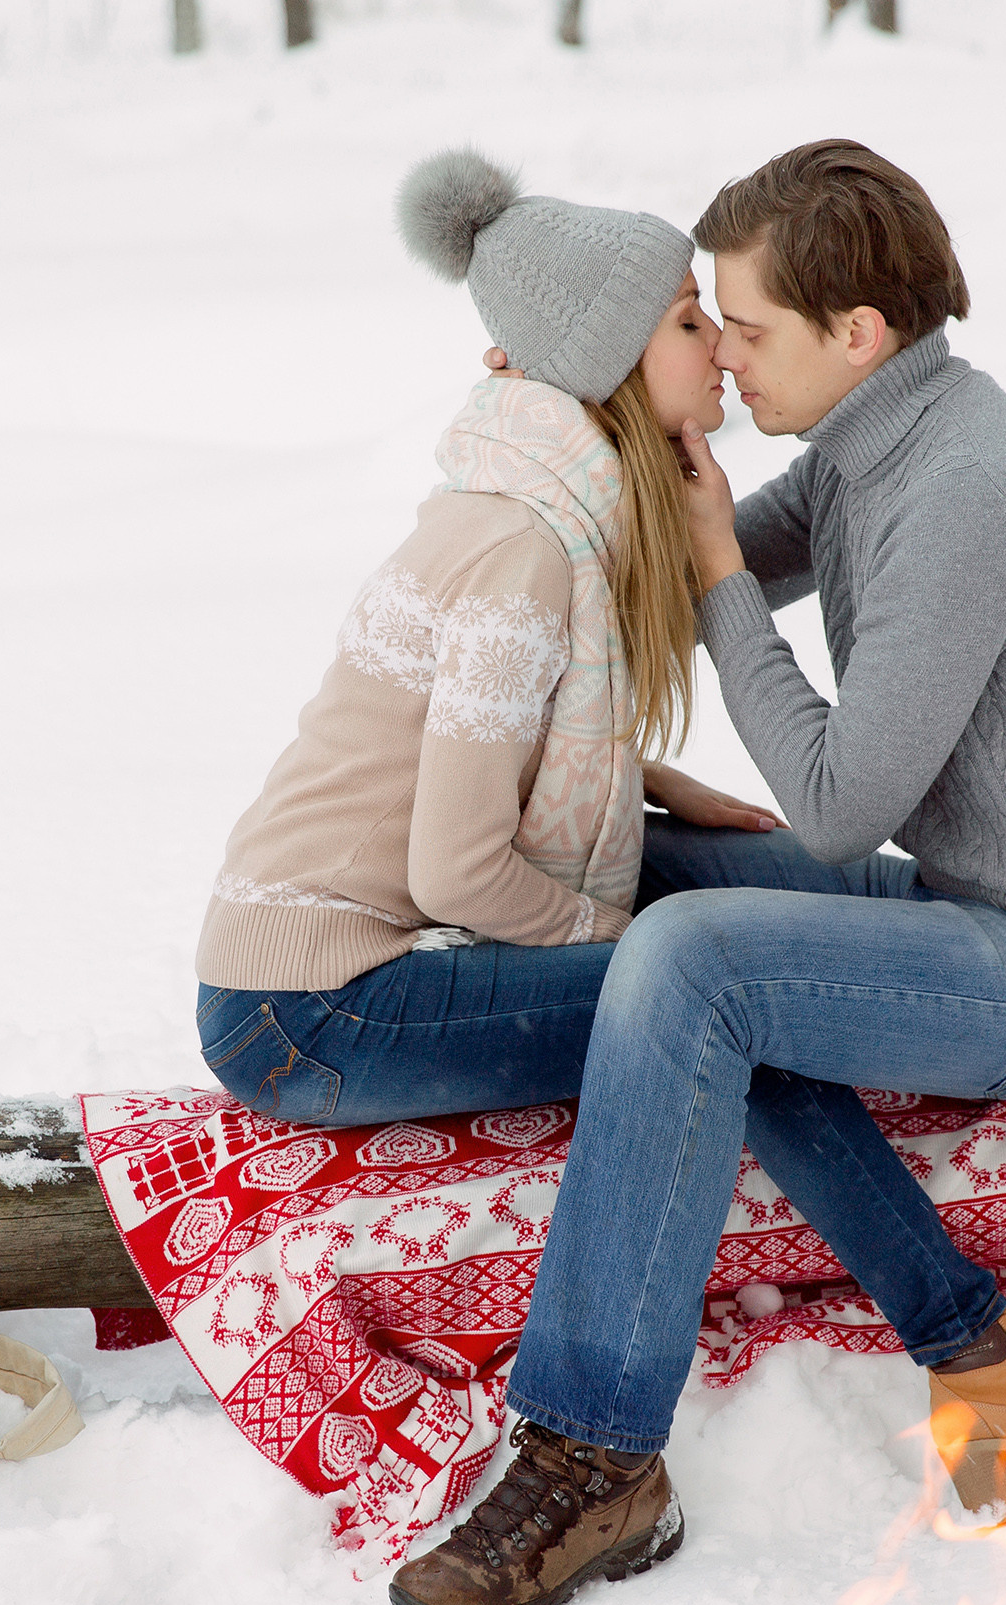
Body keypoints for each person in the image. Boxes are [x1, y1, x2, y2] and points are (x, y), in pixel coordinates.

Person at [391, 141, 1006, 1605]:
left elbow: (838, 812)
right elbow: (668, 554)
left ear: (861, 333)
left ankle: (593, 1452)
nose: (723, 354)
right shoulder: (871, 448)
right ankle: (968, 1340)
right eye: (701, 321)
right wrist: (555, 412)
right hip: (983, 906)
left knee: (696, 961)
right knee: (648, 873)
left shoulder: (966, 487)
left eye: (746, 327)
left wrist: (713, 564)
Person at [194, 149, 782, 1128]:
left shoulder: (544, 509)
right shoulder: (525, 547)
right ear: (608, 364)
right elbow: (456, 872)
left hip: (307, 987)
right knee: (722, 996)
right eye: (688, 319)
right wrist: (622, 938)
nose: (720, 343)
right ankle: (944, 1287)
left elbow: (477, 737)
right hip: (309, 1011)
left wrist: (648, 779)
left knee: (734, 947)